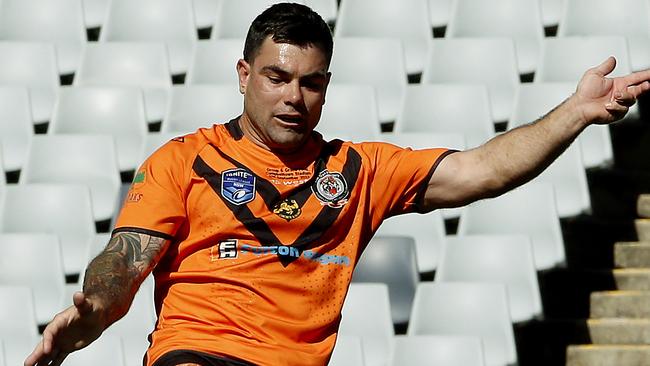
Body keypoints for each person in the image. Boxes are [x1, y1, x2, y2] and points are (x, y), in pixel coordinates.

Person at [25, 3, 650, 366]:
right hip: (201, 356)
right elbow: (124, 261)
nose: (294, 96)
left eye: (312, 83)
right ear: (243, 75)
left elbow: (480, 171)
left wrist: (575, 112)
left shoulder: (359, 170)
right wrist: (94, 307)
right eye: (276, 77)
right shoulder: (184, 161)